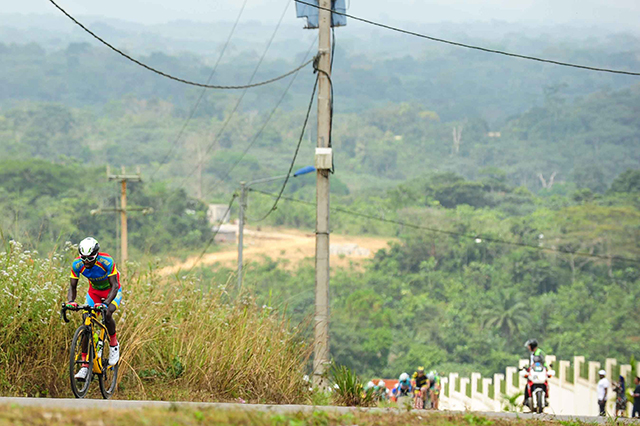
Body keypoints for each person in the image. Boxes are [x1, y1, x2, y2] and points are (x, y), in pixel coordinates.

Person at [66, 237, 123, 380]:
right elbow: (73, 286)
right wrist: (71, 301)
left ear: (96, 255)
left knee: (108, 313)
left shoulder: (107, 261)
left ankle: (113, 344)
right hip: (94, 293)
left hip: (111, 292)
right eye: (83, 258)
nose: (87, 262)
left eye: (90, 258)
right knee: (86, 320)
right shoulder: (77, 264)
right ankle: (85, 366)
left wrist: (105, 303)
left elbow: (115, 285)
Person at [523, 339, 548, 406]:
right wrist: (527, 368)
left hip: (540, 372)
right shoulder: (533, 354)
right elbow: (531, 364)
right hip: (533, 372)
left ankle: (545, 397)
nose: (528, 348)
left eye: (529, 346)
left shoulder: (539, 353)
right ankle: (526, 399)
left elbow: (543, 362)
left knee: (545, 383)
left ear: (532, 346)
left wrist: (546, 368)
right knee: (527, 384)